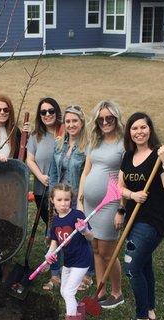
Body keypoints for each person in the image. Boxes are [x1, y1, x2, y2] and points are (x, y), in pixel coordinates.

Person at [117, 112, 164, 320]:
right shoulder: (128, 155)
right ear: (129, 132)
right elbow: (119, 186)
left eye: (143, 127)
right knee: (144, 264)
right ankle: (150, 308)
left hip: (153, 221)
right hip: (133, 217)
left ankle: (142, 317)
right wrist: (131, 198)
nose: (139, 132)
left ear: (150, 129)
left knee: (132, 266)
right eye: (134, 128)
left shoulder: (158, 156)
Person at [77, 100, 126, 310]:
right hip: (90, 205)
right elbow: (86, 172)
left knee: (108, 251)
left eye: (109, 118)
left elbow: (125, 179)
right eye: (101, 119)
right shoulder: (94, 142)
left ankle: (117, 292)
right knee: (95, 248)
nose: (105, 122)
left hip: (110, 204)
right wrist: (80, 200)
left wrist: (121, 209)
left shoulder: (124, 144)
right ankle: (101, 289)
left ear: (116, 119)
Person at [43, 184, 93, 320]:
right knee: (64, 291)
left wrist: (84, 230)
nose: (64, 203)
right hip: (69, 261)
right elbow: (55, 242)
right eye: (59, 199)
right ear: (52, 201)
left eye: (67, 199)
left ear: (71, 200)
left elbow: (91, 237)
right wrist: (49, 254)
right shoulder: (56, 220)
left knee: (69, 292)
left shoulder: (77, 215)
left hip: (82, 261)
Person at [48, 104, 90, 289]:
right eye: (68, 121)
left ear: (81, 122)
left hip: (77, 197)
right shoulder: (59, 143)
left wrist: (80, 201)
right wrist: (54, 198)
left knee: (78, 237)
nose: (71, 125)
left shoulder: (87, 147)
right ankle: (55, 274)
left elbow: (87, 175)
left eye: (75, 121)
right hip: (60, 197)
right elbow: (54, 172)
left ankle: (84, 274)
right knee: (55, 233)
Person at [24, 97, 62, 291]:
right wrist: (40, 176)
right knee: (52, 228)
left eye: (51, 111)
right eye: (43, 112)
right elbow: (29, 159)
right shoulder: (35, 136)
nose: (47, 115)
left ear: (57, 112)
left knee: (58, 229)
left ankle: (57, 269)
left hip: (62, 193)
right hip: (42, 189)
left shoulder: (63, 132)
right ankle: (57, 261)